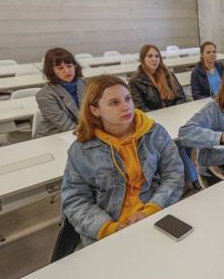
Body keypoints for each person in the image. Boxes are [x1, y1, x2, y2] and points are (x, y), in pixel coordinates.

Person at [61, 75, 184, 246]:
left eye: (127, 99)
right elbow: (75, 200)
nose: (126, 107)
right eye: (114, 103)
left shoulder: (154, 132)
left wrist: (152, 209)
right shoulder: (81, 150)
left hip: (156, 213)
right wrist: (109, 228)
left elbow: (174, 173)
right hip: (109, 227)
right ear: (95, 110)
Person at [35, 47, 87, 137]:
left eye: (69, 66)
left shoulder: (86, 83)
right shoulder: (44, 95)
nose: (67, 71)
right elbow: (67, 126)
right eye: (60, 68)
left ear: (75, 66)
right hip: (53, 136)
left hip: (83, 131)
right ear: (52, 71)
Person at [128, 44, 186, 111]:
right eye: (150, 56)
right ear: (142, 59)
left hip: (174, 113)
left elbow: (181, 96)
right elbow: (140, 107)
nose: (154, 59)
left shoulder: (169, 74)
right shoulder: (135, 81)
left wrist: (177, 110)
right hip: (152, 117)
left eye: (157, 56)